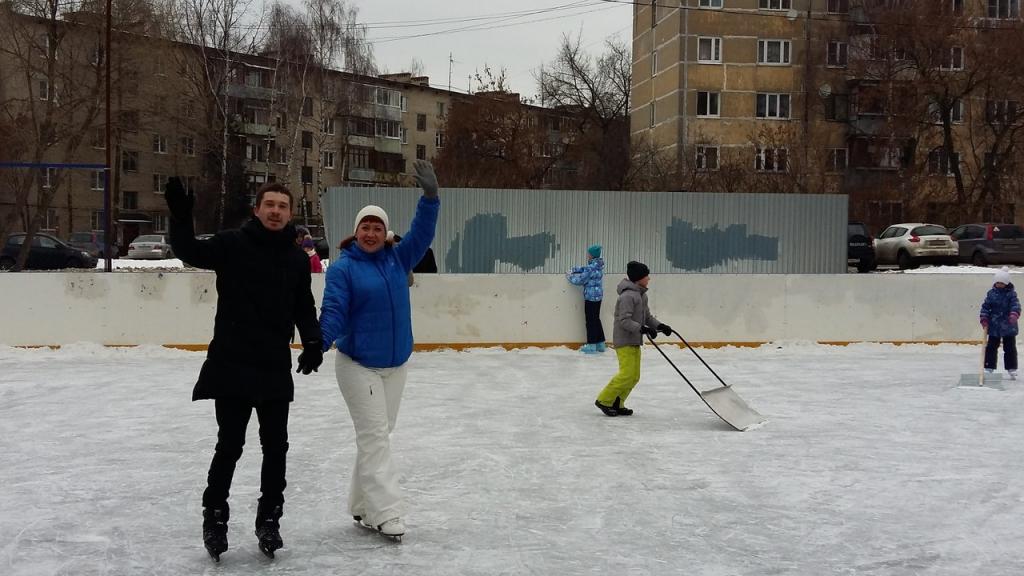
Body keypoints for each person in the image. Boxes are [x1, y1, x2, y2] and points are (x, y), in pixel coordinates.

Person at [165, 177, 323, 561]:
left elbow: (303, 304)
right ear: (257, 210)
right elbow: (188, 250)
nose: (275, 211)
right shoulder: (232, 244)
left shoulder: (297, 259)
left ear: (290, 214)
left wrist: (313, 342)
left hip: (272, 365)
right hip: (232, 363)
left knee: (276, 448)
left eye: (282, 206)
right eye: (269, 204)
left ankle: (269, 518)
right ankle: (215, 517)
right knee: (230, 446)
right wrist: (181, 217)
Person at [318, 159, 440, 540]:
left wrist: (431, 198)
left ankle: (360, 505)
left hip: (396, 364)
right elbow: (334, 310)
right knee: (374, 437)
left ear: (387, 233)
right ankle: (385, 513)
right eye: (364, 227)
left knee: (378, 436)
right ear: (355, 233)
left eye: (377, 227)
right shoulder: (343, 269)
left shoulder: (397, 259)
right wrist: (318, 343)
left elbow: (422, 233)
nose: (370, 233)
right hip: (358, 365)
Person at [594, 261, 672, 417]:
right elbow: (624, 320)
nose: (648, 278)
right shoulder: (628, 296)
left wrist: (660, 326)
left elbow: (647, 317)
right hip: (624, 340)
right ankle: (604, 400)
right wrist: (642, 329)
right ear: (638, 278)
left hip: (634, 340)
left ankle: (618, 402)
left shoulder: (642, 295)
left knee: (634, 376)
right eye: (646, 276)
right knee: (627, 374)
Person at [980, 266, 1020, 380]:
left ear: (1006, 283)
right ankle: (989, 367)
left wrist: (1014, 314)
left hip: (1008, 325)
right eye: (997, 282)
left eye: (1002, 283)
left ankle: (1011, 368)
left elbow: (1015, 306)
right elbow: (986, 307)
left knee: (1010, 347)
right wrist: (984, 318)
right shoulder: (991, 294)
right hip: (994, 325)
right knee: (991, 347)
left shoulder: (1011, 294)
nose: (999, 285)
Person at [567, 244, 606, 354]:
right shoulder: (597, 265)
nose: (587, 255)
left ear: (592, 255)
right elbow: (585, 269)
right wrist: (575, 268)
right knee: (596, 319)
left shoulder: (590, 268)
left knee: (590, 321)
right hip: (598, 296)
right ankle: (600, 343)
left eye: (588, 253)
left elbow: (580, 280)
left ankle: (591, 345)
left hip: (590, 297)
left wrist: (569, 276)